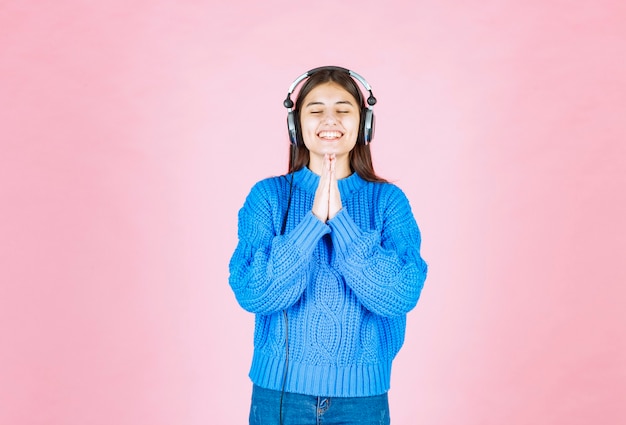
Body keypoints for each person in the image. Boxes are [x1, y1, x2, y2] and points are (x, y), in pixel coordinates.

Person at [228, 66, 428, 425]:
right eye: (316, 110)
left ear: (364, 124)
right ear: (296, 126)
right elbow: (253, 292)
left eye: (343, 109)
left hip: (362, 401)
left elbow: (400, 294)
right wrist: (312, 223)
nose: (330, 119)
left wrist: (340, 219)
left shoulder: (388, 202)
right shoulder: (268, 198)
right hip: (280, 397)